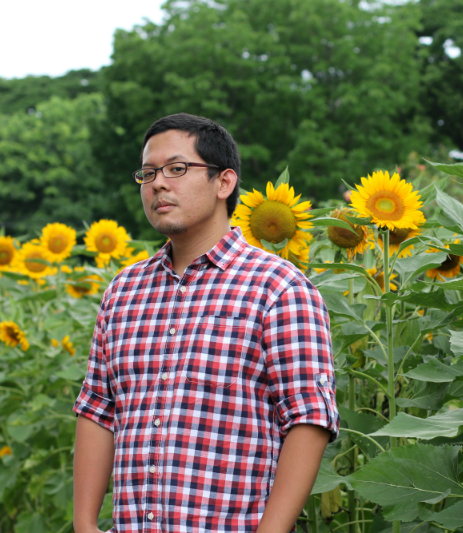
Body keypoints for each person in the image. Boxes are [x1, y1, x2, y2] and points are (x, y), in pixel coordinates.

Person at [72, 113, 339, 533]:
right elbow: (98, 410)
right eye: (148, 173)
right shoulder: (123, 291)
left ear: (224, 182)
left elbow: (308, 419)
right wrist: (85, 524)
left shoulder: (278, 288)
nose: (158, 183)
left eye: (177, 169)